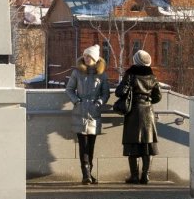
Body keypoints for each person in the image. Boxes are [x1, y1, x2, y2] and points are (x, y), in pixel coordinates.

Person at [114, 50, 162, 184]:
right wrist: (147, 101)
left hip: (133, 112)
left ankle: (134, 175)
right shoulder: (153, 77)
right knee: (148, 145)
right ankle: (145, 175)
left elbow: (120, 92)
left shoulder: (130, 75)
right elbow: (158, 96)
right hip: (148, 112)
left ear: (136, 61)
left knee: (133, 144)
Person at [66, 44, 110, 185]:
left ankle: (89, 173)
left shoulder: (102, 74)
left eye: (89, 56)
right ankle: (86, 174)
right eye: (84, 56)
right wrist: (77, 101)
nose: (86, 58)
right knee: (83, 144)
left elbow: (106, 93)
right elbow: (69, 89)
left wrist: (99, 103)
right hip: (80, 112)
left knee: (91, 145)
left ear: (95, 58)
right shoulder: (77, 72)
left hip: (94, 113)